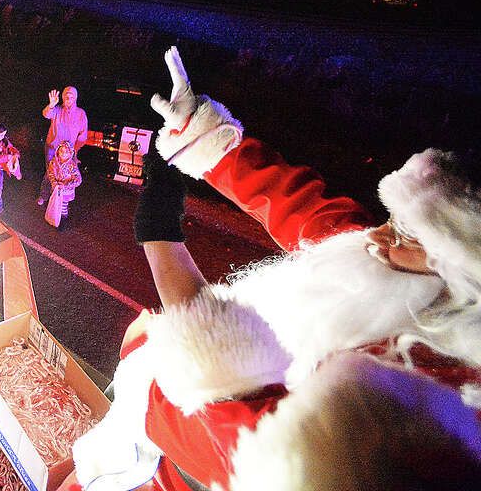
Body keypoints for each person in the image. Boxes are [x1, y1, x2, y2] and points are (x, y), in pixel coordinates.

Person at [71, 46, 481, 491]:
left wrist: (162, 245)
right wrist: (202, 136)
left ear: (461, 273)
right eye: (390, 219)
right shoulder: (397, 264)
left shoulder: (442, 398)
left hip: (194, 464)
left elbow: (272, 448)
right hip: (163, 407)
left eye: (404, 235)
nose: (376, 238)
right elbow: (300, 205)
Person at [37, 86, 88, 205]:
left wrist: (75, 151)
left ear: (75, 98)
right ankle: (44, 195)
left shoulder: (80, 114)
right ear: (63, 97)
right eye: (65, 96)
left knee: (65, 174)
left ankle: (60, 198)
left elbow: (82, 136)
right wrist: (51, 105)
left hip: (68, 152)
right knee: (50, 172)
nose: (68, 98)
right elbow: (46, 114)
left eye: (71, 96)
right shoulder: (57, 109)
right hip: (52, 148)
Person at [44, 142, 81, 227]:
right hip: (56, 190)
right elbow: (50, 173)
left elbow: (78, 179)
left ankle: (63, 221)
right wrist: (54, 183)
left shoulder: (72, 165)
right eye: (62, 151)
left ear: (70, 153)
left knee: (63, 207)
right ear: (57, 151)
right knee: (56, 205)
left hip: (66, 191)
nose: (64, 153)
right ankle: (55, 219)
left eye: (66, 152)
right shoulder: (53, 162)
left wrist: (65, 185)